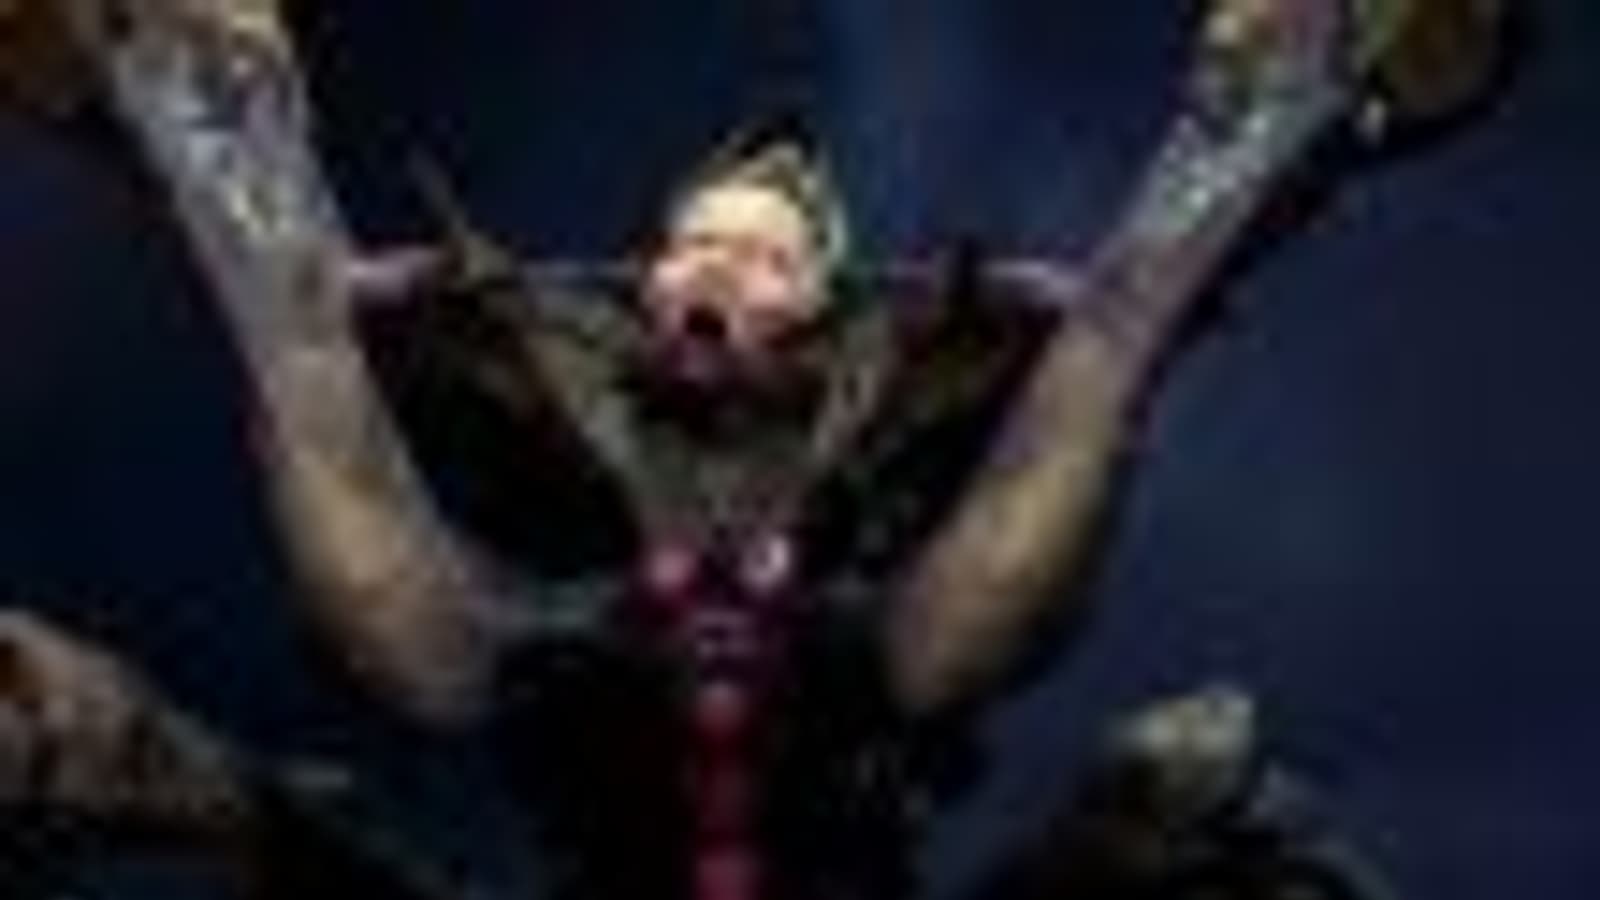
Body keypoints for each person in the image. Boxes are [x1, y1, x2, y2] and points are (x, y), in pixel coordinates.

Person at [0, 0, 1506, 898]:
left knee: (1153, 766)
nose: (719, 266)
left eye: (767, 254)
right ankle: (193, 86)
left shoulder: (903, 363)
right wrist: (248, 240)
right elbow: (348, 410)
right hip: (553, 730)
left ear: (817, 291)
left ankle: (1299, 84)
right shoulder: (549, 356)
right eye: (693, 244)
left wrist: (1115, 320)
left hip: (864, 755)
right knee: (370, 657)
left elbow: (1072, 410)